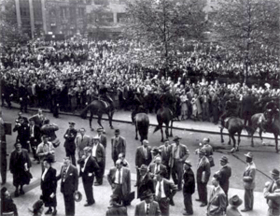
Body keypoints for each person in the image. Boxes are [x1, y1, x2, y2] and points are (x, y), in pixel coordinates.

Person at [0, 110, 7, 185]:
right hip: (2, 144)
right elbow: (2, 133)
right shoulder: (1, 121)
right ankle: (3, 179)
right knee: (2, 164)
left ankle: (3, 179)